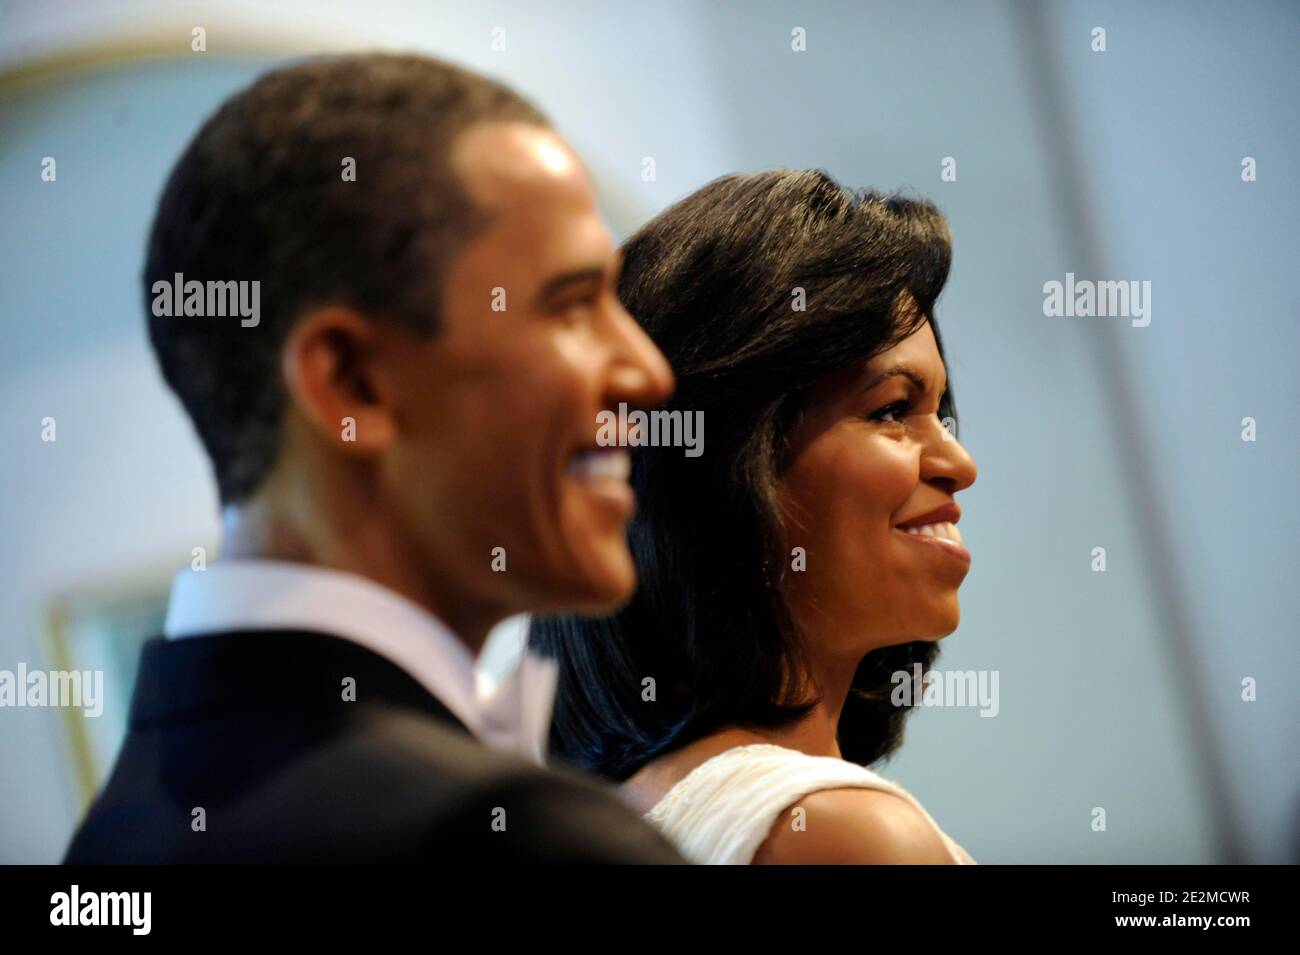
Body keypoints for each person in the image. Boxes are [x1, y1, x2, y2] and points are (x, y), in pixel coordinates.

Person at [64, 53, 682, 863]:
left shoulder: (111, 838)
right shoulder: (517, 840)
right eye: (571, 305)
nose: (649, 373)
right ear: (352, 384)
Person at [530, 171, 979, 864]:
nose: (957, 461)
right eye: (892, 409)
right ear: (734, 462)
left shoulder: (629, 812)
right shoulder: (850, 835)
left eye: (940, 413)